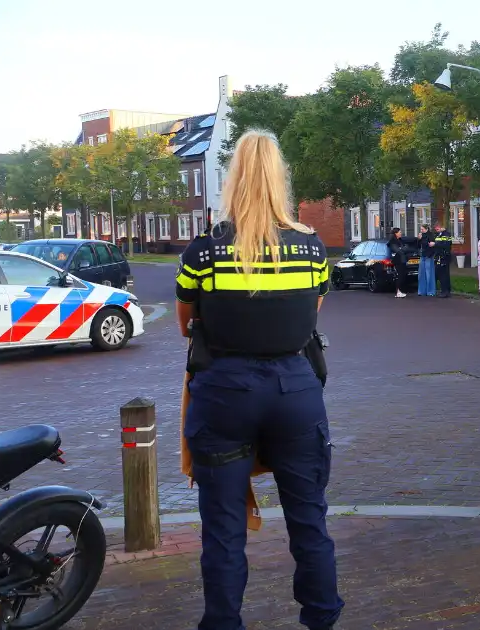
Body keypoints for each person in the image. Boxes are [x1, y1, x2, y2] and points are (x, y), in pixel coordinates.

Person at [174, 129, 343, 629]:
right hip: (295, 389)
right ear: (280, 179)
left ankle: (223, 623)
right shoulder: (311, 250)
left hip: (225, 392)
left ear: (232, 181)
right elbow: (311, 316)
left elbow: (187, 324)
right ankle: (320, 618)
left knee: (223, 528)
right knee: (309, 517)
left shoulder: (204, 251)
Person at [433, 222, 453, 298]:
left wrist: (435, 244)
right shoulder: (440, 234)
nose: (436, 230)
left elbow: (446, 245)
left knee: (443, 275)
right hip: (439, 257)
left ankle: (445, 291)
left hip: (444, 257)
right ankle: (446, 290)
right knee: (442, 274)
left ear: (441, 227)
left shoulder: (446, 234)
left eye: (437, 229)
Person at [388, 227, 407, 298]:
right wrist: (402, 249)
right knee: (400, 275)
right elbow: (398, 251)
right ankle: (398, 292)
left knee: (402, 275)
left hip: (401, 260)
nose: (401, 233)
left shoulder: (399, 240)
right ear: (396, 233)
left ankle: (400, 291)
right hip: (398, 260)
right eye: (399, 232)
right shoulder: (393, 242)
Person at [418, 224, 436, 296]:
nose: (421, 231)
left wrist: (422, 239)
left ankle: (430, 291)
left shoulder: (431, 235)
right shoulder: (421, 235)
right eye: (421, 229)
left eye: (422, 229)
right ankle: (422, 291)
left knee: (429, 274)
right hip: (422, 255)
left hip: (429, 256)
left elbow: (429, 245)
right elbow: (419, 245)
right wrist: (419, 239)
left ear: (426, 229)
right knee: (422, 273)